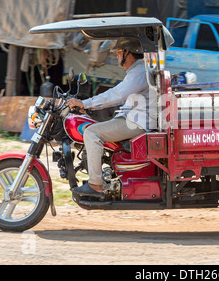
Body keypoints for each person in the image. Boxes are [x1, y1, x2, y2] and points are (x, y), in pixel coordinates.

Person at [67, 37, 156, 198]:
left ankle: (95, 184)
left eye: (119, 53)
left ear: (128, 54)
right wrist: (90, 107)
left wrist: (85, 103)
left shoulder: (139, 72)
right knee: (94, 127)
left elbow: (117, 94)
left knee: (91, 132)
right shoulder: (136, 71)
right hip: (133, 119)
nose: (116, 57)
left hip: (137, 123)